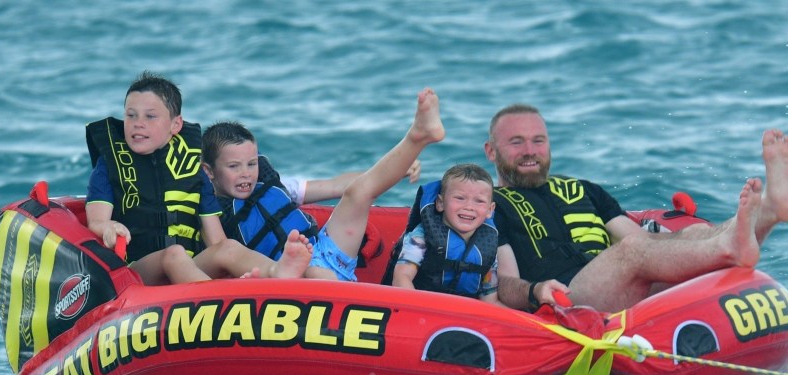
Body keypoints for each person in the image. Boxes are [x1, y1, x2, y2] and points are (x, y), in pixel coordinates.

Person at [484, 103, 788, 312]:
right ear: (491, 151)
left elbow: (646, 243)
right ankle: (731, 246)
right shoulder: (489, 205)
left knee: (691, 234)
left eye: (538, 141)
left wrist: (688, 239)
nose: (530, 151)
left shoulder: (582, 189)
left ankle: (770, 212)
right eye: (516, 142)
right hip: (568, 298)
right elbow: (505, 284)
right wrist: (536, 291)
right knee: (633, 251)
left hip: (619, 287)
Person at [85, 71, 313, 285]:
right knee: (174, 255)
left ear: (176, 124)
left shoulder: (192, 168)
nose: (138, 123)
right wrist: (109, 227)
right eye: (130, 115)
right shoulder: (110, 164)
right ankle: (218, 301)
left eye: (150, 116)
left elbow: (216, 240)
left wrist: (229, 266)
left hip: (189, 266)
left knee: (228, 247)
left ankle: (276, 272)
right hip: (137, 272)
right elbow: (96, 220)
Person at [201, 87, 445, 281]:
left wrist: (399, 170)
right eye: (234, 167)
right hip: (288, 274)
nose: (246, 174)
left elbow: (335, 186)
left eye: (251, 164)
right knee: (314, 272)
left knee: (358, 192)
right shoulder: (213, 211)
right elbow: (220, 250)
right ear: (209, 171)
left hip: (325, 250)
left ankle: (418, 136)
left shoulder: (273, 183)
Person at [391, 163, 501, 303]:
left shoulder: (488, 246)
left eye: (479, 201)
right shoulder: (421, 237)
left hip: (462, 317)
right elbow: (401, 279)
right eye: (460, 198)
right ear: (440, 203)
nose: (469, 207)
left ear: (490, 210)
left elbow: (489, 300)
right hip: (419, 308)